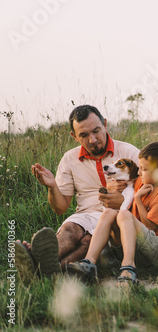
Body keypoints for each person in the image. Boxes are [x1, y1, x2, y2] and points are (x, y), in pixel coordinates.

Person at [15, 105, 139, 279]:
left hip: (114, 220)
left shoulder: (129, 152)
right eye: (84, 135)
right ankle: (44, 268)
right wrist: (52, 187)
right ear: (74, 136)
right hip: (85, 215)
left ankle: (36, 266)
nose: (93, 139)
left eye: (96, 131)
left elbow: (147, 191)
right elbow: (60, 208)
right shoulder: (69, 159)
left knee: (88, 241)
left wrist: (123, 202)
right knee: (70, 229)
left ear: (105, 124)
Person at [67, 141, 158, 285]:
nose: (138, 172)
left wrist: (137, 199)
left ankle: (128, 268)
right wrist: (112, 184)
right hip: (134, 246)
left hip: (156, 251)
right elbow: (124, 181)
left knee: (124, 214)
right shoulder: (141, 182)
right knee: (109, 213)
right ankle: (89, 263)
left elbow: (151, 227)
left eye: (143, 169)